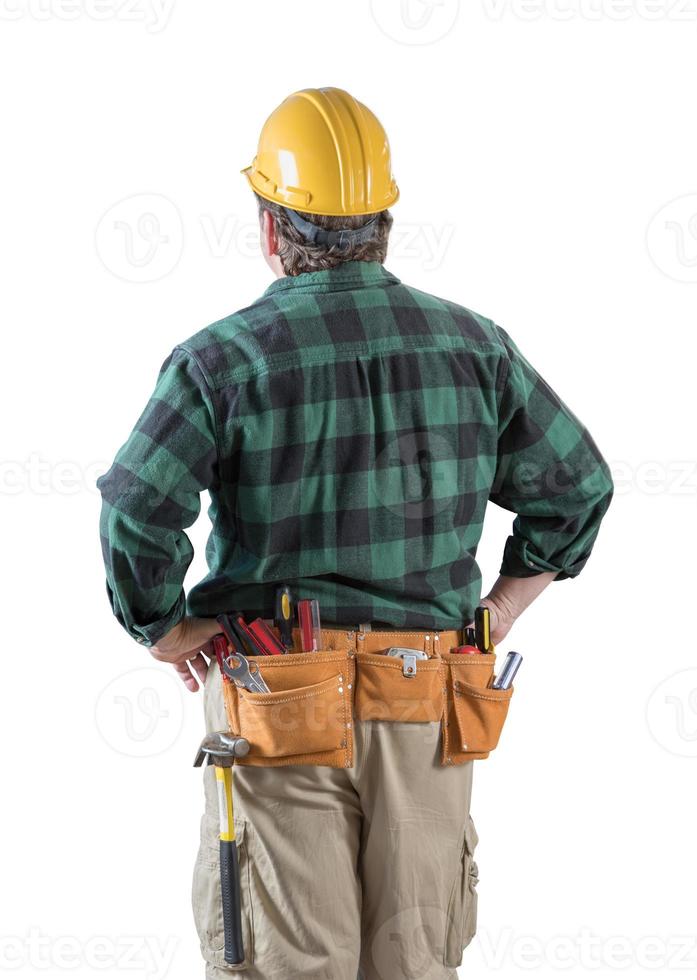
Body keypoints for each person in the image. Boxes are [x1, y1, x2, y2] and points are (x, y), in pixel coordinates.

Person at [97, 87, 613, 980]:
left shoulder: (221, 360)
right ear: (384, 222)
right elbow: (578, 488)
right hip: (429, 696)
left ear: (268, 228)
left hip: (277, 697)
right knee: (415, 960)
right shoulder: (475, 347)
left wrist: (164, 626)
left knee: (289, 961)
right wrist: (498, 609)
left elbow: (137, 509)